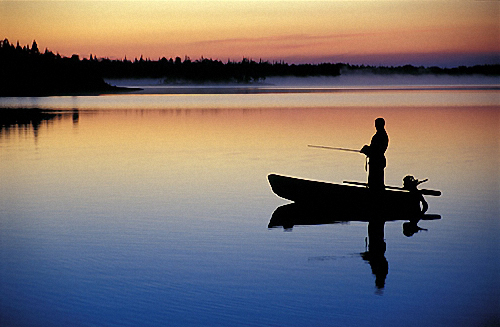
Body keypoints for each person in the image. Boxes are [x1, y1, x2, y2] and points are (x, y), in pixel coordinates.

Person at [360, 118, 389, 190]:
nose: (375, 126)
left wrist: (367, 150)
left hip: (377, 162)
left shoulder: (380, 136)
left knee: (376, 181)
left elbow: (376, 150)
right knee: (375, 181)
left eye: (377, 124)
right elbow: (375, 149)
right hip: (377, 161)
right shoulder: (381, 135)